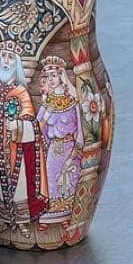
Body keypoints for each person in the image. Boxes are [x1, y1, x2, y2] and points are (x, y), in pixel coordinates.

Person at [0, 43, 47, 234]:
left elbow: (30, 123)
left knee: (18, 184)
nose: (6, 60)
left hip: (12, 146)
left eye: (11, 57)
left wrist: (17, 126)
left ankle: (21, 222)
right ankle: (1, 219)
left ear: (17, 64)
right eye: (3, 56)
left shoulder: (21, 93)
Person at [36, 56, 84, 225]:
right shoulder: (47, 104)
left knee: (68, 180)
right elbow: (37, 128)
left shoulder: (72, 102)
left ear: (61, 76)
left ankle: (66, 216)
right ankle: (50, 216)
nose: (51, 79)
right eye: (48, 76)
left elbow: (80, 129)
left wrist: (76, 151)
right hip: (53, 149)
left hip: (69, 147)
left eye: (54, 75)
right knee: (51, 178)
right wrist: (45, 116)